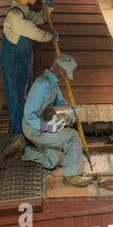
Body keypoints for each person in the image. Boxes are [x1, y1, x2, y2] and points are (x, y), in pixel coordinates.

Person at [14, 54, 92, 187]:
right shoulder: (41, 85)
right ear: (61, 70)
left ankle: (25, 150)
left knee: (54, 161)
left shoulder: (52, 84)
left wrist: (72, 109)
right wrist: (46, 127)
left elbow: (60, 102)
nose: (66, 76)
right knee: (72, 136)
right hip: (34, 129)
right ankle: (71, 175)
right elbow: (28, 115)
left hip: (44, 126)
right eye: (66, 73)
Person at [0, 0, 57, 156]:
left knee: (26, 94)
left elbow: (40, 18)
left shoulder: (22, 11)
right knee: (16, 98)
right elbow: (36, 32)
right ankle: (19, 135)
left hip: (22, 61)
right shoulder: (14, 16)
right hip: (13, 63)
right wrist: (50, 36)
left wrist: (50, 5)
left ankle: (27, 130)